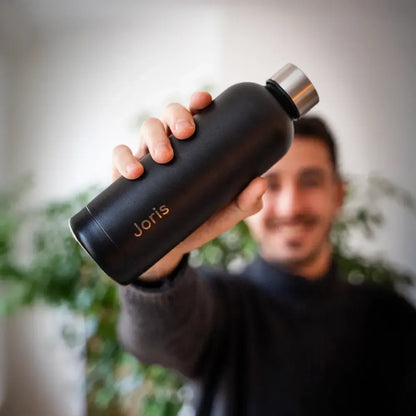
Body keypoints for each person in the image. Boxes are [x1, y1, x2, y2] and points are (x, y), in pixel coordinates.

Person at [114, 92, 416, 415]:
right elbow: (155, 340)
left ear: (338, 195)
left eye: (310, 182)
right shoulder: (222, 306)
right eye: (271, 183)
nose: (290, 207)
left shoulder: (392, 317)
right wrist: (155, 258)